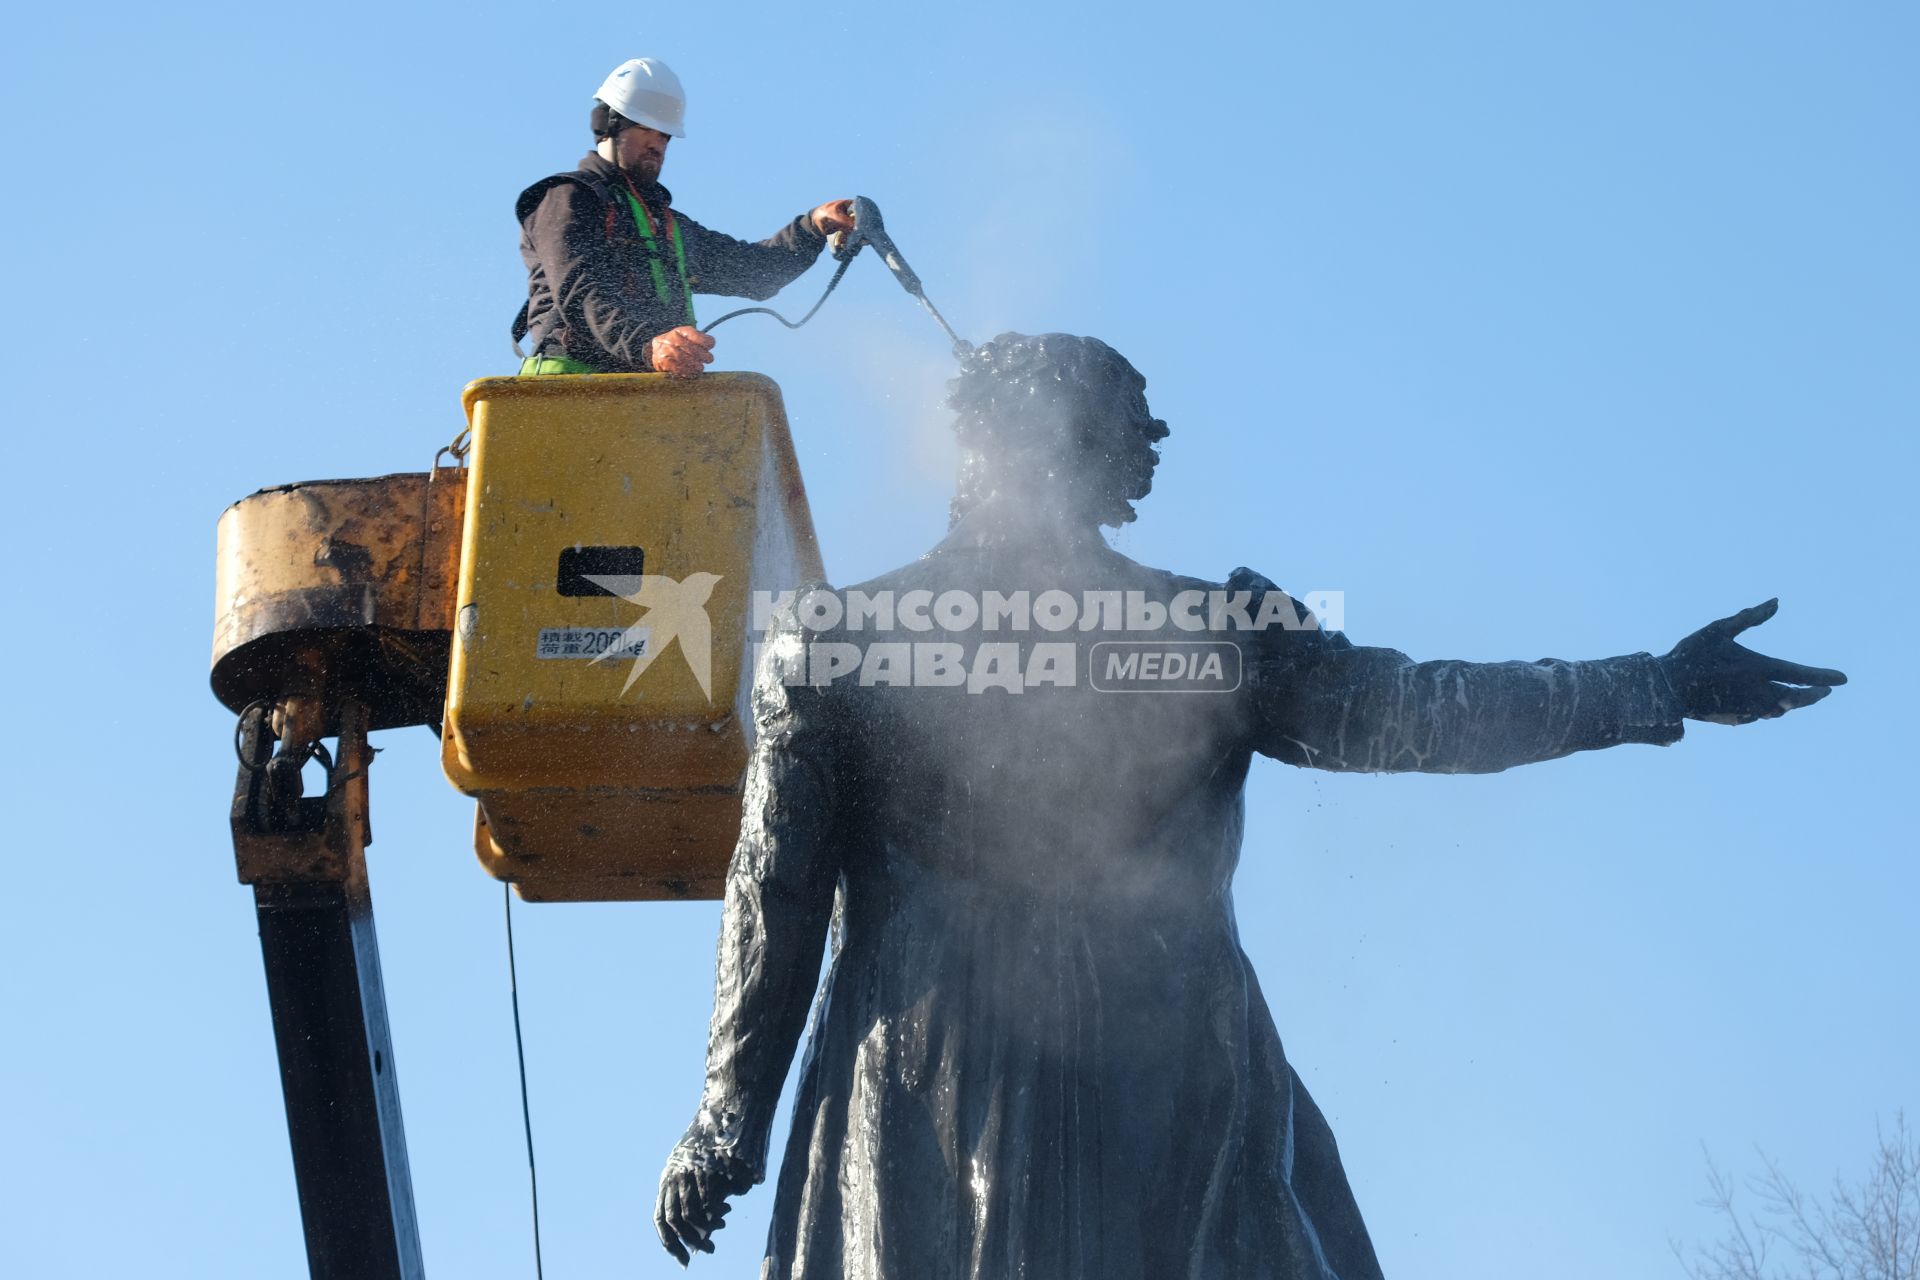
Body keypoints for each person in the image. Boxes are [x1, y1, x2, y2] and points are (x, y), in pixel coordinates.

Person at [651, 334, 1847, 1278]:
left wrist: (727, 1118)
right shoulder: (1210, 630)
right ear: (1116, 469)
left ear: (977, 447)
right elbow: (1420, 713)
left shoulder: (835, 640)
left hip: (932, 1078)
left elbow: (779, 896)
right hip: (1161, 1071)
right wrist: (1656, 684)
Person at [514, 58, 855, 377]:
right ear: (609, 125)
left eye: (664, 135)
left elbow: (754, 273)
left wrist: (814, 225)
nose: (657, 144)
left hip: (649, 397)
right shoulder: (567, 199)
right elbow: (580, 291)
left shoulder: (665, 227)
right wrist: (647, 346)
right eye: (646, 129)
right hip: (565, 393)